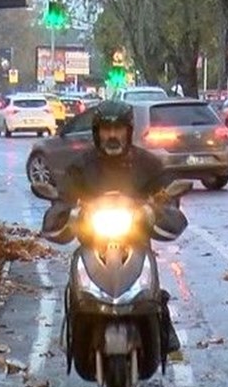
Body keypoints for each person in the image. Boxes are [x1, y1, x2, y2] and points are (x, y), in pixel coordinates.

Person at [41, 100, 186, 353]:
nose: (112, 135)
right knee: (75, 282)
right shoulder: (81, 166)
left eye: (118, 129)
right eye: (106, 130)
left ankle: (161, 321)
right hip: (92, 242)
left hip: (136, 242)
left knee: (153, 282)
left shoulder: (148, 164)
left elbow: (168, 198)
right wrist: (68, 212)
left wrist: (154, 209)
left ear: (128, 131)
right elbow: (63, 199)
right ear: (97, 133)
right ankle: (75, 321)